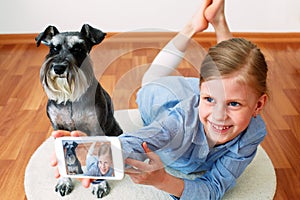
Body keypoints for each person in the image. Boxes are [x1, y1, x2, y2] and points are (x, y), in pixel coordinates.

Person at [51, 0, 269, 199]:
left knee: (234, 75)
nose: (219, 116)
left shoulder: (254, 131)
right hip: (164, 95)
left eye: (234, 104)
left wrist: (166, 181)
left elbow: (213, 189)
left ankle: (219, 21)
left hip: (204, 91)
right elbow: (138, 140)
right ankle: (191, 27)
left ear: (259, 105)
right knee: (152, 78)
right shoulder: (178, 122)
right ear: (201, 92)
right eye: (209, 99)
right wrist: (104, 150)